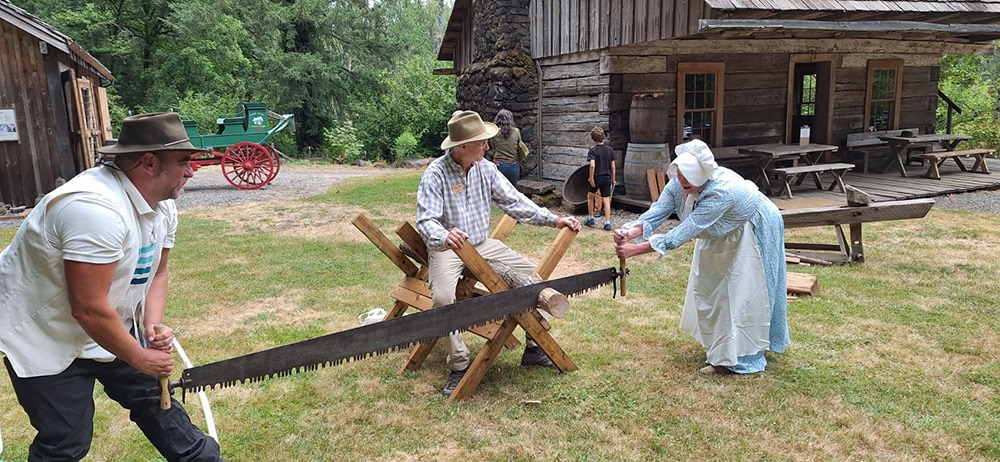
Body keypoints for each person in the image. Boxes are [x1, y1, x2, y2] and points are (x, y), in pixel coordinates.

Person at [0, 112, 223, 461]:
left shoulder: (162, 206)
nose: (191, 171)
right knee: (66, 439)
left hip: (105, 323)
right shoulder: (93, 209)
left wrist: (151, 326)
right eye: (183, 162)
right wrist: (139, 355)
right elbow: (87, 307)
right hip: (42, 333)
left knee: (155, 401)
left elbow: (158, 272)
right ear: (149, 162)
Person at [416, 110, 582, 397]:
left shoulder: (486, 169)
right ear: (462, 146)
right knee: (443, 298)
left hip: (482, 244)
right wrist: (445, 234)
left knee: (532, 278)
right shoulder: (435, 174)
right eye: (482, 143)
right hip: (449, 248)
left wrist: (553, 219)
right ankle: (459, 366)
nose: (488, 147)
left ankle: (534, 347)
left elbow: (514, 201)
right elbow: (425, 220)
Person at [613, 139, 789, 375]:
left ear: (702, 175)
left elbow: (681, 234)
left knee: (743, 291)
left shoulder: (721, 193)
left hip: (752, 226)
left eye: (689, 177)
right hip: (722, 232)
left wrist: (634, 250)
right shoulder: (678, 182)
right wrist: (630, 231)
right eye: (680, 175)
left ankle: (743, 358)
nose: (683, 181)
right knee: (714, 287)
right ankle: (721, 347)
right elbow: (659, 211)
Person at [585, 127, 616, 231]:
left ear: (592, 139)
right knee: (606, 200)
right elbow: (613, 166)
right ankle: (607, 222)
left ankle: (590, 218)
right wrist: (613, 178)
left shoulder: (592, 150)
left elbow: (592, 165)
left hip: (597, 177)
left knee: (590, 196)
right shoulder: (610, 150)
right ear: (603, 137)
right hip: (607, 177)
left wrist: (591, 178)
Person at [488, 109, 524, 187]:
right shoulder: (516, 131)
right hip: (514, 166)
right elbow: (520, 148)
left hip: (499, 165)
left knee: (500, 192)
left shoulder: (494, 133)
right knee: (512, 191)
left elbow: (494, 148)